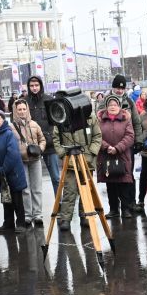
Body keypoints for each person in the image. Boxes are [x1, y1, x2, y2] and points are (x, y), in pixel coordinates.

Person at [50, 93, 104, 236]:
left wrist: (92, 152)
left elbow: (98, 136)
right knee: (69, 191)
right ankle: (66, 219)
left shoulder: (91, 117)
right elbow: (56, 138)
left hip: (86, 160)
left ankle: (85, 215)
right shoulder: (61, 118)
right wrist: (63, 154)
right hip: (70, 162)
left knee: (86, 190)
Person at [94, 96, 138, 223]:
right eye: (110, 104)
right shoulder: (100, 120)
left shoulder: (126, 119)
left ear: (119, 106)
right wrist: (107, 147)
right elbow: (96, 135)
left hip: (122, 155)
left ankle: (126, 209)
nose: (113, 106)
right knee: (111, 183)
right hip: (106, 155)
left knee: (124, 182)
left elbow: (130, 136)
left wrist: (118, 148)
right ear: (106, 107)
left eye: (115, 104)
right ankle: (113, 209)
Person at [0, 108, 30, 232]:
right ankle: (8, 223)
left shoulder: (9, 134)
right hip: (0, 175)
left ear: (3, 119)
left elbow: (12, 154)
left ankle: (20, 223)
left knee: (17, 199)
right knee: (6, 200)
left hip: (13, 173)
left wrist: (2, 170)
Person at [22, 75, 60, 200]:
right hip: (31, 146)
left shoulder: (49, 99)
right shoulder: (24, 102)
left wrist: (50, 138)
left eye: (36, 85)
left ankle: (59, 203)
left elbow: (56, 121)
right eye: (32, 86)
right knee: (32, 181)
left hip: (49, 145)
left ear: (41, 86)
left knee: (55, 177)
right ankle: (34, 209)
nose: (34, 88)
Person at [10, 98, 48, 222]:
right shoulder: (11, 127)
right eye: (19, 109)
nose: (22, 111)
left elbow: (42, 139)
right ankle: (27, 215)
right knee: (25, 190)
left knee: (37, 188)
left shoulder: (34, 124)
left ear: (27, 110)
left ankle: (38, 214)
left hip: (35, 160)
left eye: (24, 109)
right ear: (15, 111)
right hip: (20, 162)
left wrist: (40, 149)